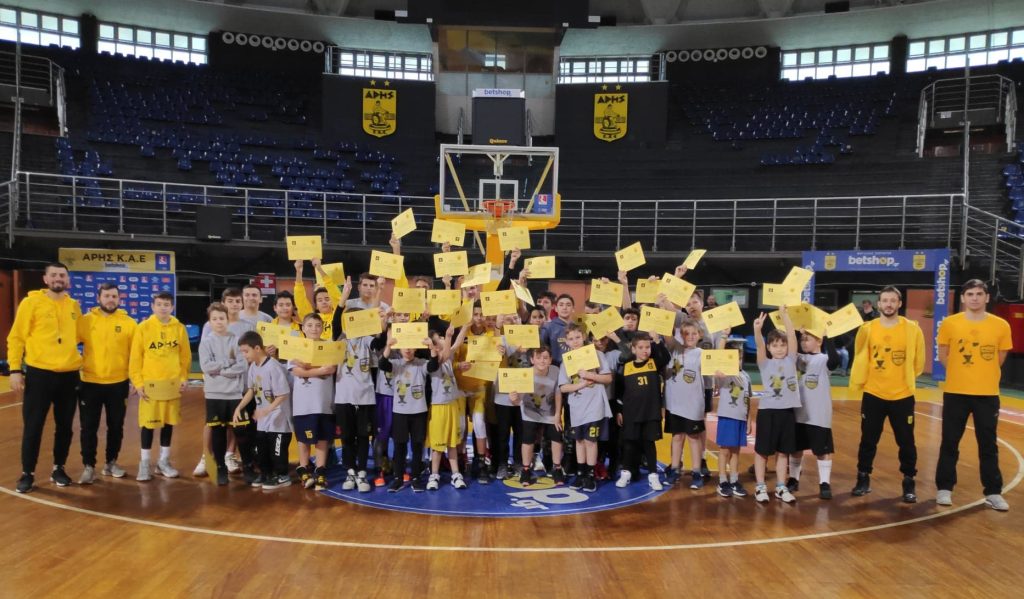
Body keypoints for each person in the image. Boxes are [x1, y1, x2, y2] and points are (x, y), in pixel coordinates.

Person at [935, 279, 1013, 511]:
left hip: (987, 394)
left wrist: (981, 374)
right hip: (955, 393)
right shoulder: (950, 323)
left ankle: (993, 492)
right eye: (970, 294)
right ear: (963, 298)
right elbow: (944, 356)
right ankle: (944, 488)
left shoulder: (1001, 326)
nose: (975, 298)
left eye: (979, 294)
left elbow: (1000, 358)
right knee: (950, 442)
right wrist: (963, 374)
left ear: (987, 297)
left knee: (988, 445)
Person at [8, 263, 83, 493]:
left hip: (69, 376)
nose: (58, 278)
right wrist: (14, 370)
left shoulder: (74, 306)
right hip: (39, 374)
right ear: (45, 279)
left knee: (65, 427)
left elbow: (81, 337)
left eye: (62, 275)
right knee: (33, 426)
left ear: (67, 280)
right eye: (54, 275)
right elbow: (17, 337)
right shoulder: (30, 303)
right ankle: (27, 473)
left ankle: (58, 468)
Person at [849, 286, 925, 503]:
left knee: (906, 441)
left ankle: (909, 481)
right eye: (885, 300)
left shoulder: (912, 329)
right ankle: (863, 478)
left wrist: (903, 377)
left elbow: (918, 363)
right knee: (868, 440)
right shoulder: (867, 329)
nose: (889, 304)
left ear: (899, 304)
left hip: (902, 395)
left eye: (893, 300)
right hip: (873, 393)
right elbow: (861, 355)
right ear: (878, 304)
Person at [76, 282, 137, 484]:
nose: (111, 299)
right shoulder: (85, 320)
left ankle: (111, 462)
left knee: (116, 426)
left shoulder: (129, 323)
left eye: (114, 296)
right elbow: (68, 342)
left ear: (119, 299)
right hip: (90, 383)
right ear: (98, 298)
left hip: (118, 384)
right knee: (88, 427)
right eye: (107, 296)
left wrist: (135, 379)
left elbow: (136, 355)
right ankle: (89, 466)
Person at [130, 292, 191, 482]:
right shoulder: (143, 328)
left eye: (167, 304)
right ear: (153, 306)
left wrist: (183, 377)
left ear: (172, 307)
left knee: (168, 424)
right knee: (148, 425)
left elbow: (185, 356)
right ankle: (145, 463)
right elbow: (135, 359)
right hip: (150, 386)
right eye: (159, 304)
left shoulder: (179, 328)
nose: (163, 307)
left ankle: (163, 461)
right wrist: (138, 383)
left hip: (172, 385)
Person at [198, 302, 252, 485]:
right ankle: (220, 469)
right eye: (215, 319)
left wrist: (220, 368)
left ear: (227, 319)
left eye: (222, 318)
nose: (219, 322)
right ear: (210, 321)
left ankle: (249, 469)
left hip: (235, 395)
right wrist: (226, 364)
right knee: (218, 434)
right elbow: (206, 367)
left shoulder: (236, 341)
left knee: (241, 433)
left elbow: (242, 365)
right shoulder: (206, 343)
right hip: (214, 395)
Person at [752, 307, 799, 504]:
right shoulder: (764, 363)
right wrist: (757, 330)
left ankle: (781, 486)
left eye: (782, 345)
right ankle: (760, 486)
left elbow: (792, 336)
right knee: (763, 451)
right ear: (770, 348)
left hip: (787, 412)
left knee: (783, 452)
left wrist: (785, 316)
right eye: (775, 345)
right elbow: (760, 346)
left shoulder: (791, 359)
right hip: (768, 412)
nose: (779, 348)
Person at [558, 323, 613, 492]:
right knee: (579, 441)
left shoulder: (596, 355)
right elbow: (563, 387)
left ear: (584, 337)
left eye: (578, 337)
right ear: (566, 342)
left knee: (591, 441)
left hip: (595, 405)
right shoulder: (566, 362)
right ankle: (581, 474)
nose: (575, 341)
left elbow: (608, 378)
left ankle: (590, 475)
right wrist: (580, 385)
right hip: (576, 407)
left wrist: (589, 375)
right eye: (571, 339)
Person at [234, 331, 293, 489]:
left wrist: (266, 410)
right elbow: (252, 390)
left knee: (277, 450)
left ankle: (282, 476)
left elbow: (283, 394)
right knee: (262, 448)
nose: (244, 355)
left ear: (258, 348)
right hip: (263, 418)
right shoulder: (253, 367)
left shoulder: (273, 367)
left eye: (246, 351)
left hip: (279, 419)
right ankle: (266, 473)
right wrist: (239, 407)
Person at [615, 332, 669, 491]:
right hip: (631, 413)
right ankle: (626, 473)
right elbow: (619, 392)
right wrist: (619, 410)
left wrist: (658, 340)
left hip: (650, 413)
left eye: (647, 347)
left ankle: (653, 475)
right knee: (629, 444)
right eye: (641, 347)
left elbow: (665, 357)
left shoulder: (655, 363)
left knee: (649, 444)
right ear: (633, 349)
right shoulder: (625, 368)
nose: (645, 350)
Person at [789, 328, 840, 500]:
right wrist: (796, 331)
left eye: (807, 339)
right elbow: (789, 349)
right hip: (799, 411)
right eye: (802, 339)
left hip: (819, 413)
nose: (804, 342)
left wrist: (828, 337)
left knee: (822, 450)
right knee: (796, 448)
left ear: (819, 341)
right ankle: (793, 478)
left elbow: (835, 361)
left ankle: (824, 482)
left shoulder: (824, 359)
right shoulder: (798, 358)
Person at [288, 314, 337, 491]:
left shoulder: (328, 346)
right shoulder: (297, 347)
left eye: (318, 325)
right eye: (310, 325)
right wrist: (319, 369)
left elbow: (330, 368)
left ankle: (320, 469)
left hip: (324, 403)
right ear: (303, 328)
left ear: (323, 327)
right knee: (304, 438)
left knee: (323, 438)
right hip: (304, 404)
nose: (314, 328)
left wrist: (308, 367)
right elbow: (296, 371)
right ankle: (303, 467)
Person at [378, 334, 430, 492]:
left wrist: (432, 348)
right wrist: (388, 346)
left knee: (417, 446)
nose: (408, 349)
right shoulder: (395, 363)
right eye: (404, 346)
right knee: (400, 446)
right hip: (400, 412)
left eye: (411, 346)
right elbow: (382, 364)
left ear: (416, 348)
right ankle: (398, 478)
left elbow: (433, 366)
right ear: (398, 348)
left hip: (419, 411)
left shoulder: (422, 363)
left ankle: (415, 477)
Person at [512, 346, 565, 486]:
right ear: (532, 360)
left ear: (550, 360)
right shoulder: (525, 374)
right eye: (539, 358)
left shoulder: (555, 371)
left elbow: (558, 393)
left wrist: (558, 414)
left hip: (550, 412)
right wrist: (514, 398)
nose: (542, 360)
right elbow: (518, 401)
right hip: (530, 413)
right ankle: (526, 470)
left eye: (545, 357)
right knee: (528, 440)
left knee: (557, 436)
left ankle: (557, 468)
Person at [425, 326, 470, 490]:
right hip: (438, 407)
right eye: (441, 338)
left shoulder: (448, 358)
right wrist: (449, 336)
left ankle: (455, 474)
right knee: (437, 446)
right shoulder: (434, 362)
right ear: (435, 347)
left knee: (452, 444)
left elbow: (457, 343)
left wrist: (466, 325)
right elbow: (443, 354)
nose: (445, 339)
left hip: (452, 406)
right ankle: (434, 474)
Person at [661, 320, 705, 488]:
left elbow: (715, 367)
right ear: (681, 335)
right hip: (674, 403)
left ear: (700, 335)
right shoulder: (674, 349)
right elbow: (667, 336)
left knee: (694, 438)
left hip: (693, 404)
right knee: (677, 437)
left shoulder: (702, 353)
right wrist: (663, 307)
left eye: (694, 333)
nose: (690, 337)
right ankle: (674, 469)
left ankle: (696, 471)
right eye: (686, 333)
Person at [713, 341, 752, 498]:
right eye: (733, 358)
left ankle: (734, 480)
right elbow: (717, 381)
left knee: (736, 451)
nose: (737, 361)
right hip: (727, 417)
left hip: (741, 418)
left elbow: (748, 399)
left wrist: (749, 419)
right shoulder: (724, 375)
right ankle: (722, 481)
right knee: (724, 450)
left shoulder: (746, 376)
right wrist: (717, 375)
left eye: (740, 357)